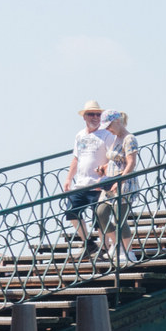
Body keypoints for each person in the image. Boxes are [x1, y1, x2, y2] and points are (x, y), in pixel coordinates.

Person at [61, 100, 117, 259]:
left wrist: (105, 174)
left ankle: (105, 248)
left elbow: (112, 158)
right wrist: (68, 179)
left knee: (99, 217)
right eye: (91, 114)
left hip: (99, 183)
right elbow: (76, 158)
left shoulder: (106, 134)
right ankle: (89, 243)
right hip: (81, 184)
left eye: (98, 114)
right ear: (84, 116)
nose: (95, 117)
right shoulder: (80, 135)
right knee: (72, 212)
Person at [97, 110, 140, 264]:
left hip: (124, 183)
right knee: (101, 213)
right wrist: (104, 167)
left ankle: (128, 252)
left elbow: (131, 163)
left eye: (109, 126)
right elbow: (115, 160)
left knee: (119, 218)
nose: (108, 129)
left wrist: (120, 181)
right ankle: (117, 244)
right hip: (111, 182)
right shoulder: (116, 138)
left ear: (117, 122)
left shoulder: (129, 139)